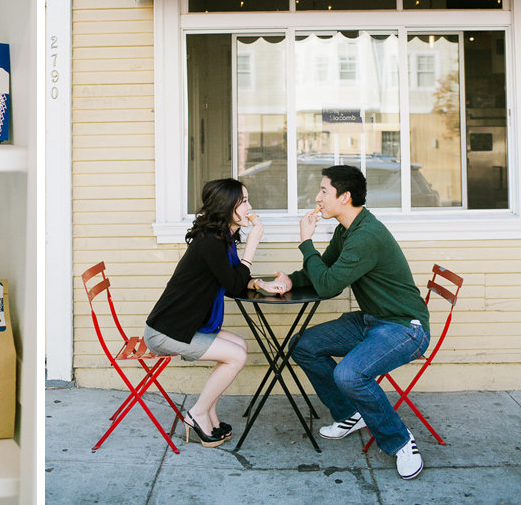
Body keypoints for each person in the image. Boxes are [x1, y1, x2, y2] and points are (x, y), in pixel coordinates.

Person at [273, 165, 430, 479]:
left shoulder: (365, 236)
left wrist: (306, 242)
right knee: (303, 345)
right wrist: (291, 280)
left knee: (349, 374)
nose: (317, 197)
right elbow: (324, 269)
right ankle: (350, 413)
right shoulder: (347, 229)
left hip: (403, 328)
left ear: (344, 197)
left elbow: (329, 285)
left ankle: (400, 441)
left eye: (323, 191)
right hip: (372, 321)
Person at [144, 178, 285, 447]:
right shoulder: (210, 242)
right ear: (226, 207)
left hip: (185, 324)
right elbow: (232, 283)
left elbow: (233, 278)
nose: (249, 207)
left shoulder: (222, 239)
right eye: (243, 202)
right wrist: (252, 246)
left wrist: (258, 283)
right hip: (166, 331)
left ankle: (209, 413)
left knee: (239, 345)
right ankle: (197, 414)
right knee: (235, 357)